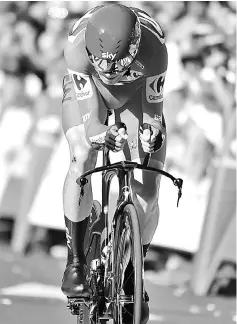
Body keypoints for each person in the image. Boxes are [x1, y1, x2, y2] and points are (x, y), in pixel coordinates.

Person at [61, 3, 167, 323]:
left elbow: (153, 114)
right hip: (90, 96)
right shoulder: (77, 49)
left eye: (117, 65)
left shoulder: (155, 49)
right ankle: (76, 260)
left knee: (149, 183)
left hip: (135, 96)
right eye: (102, 63)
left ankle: (135, 275)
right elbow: (92, 120)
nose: (109, 71)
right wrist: (100, 135)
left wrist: (152, 136)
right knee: (82, 152)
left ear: (134, 49)